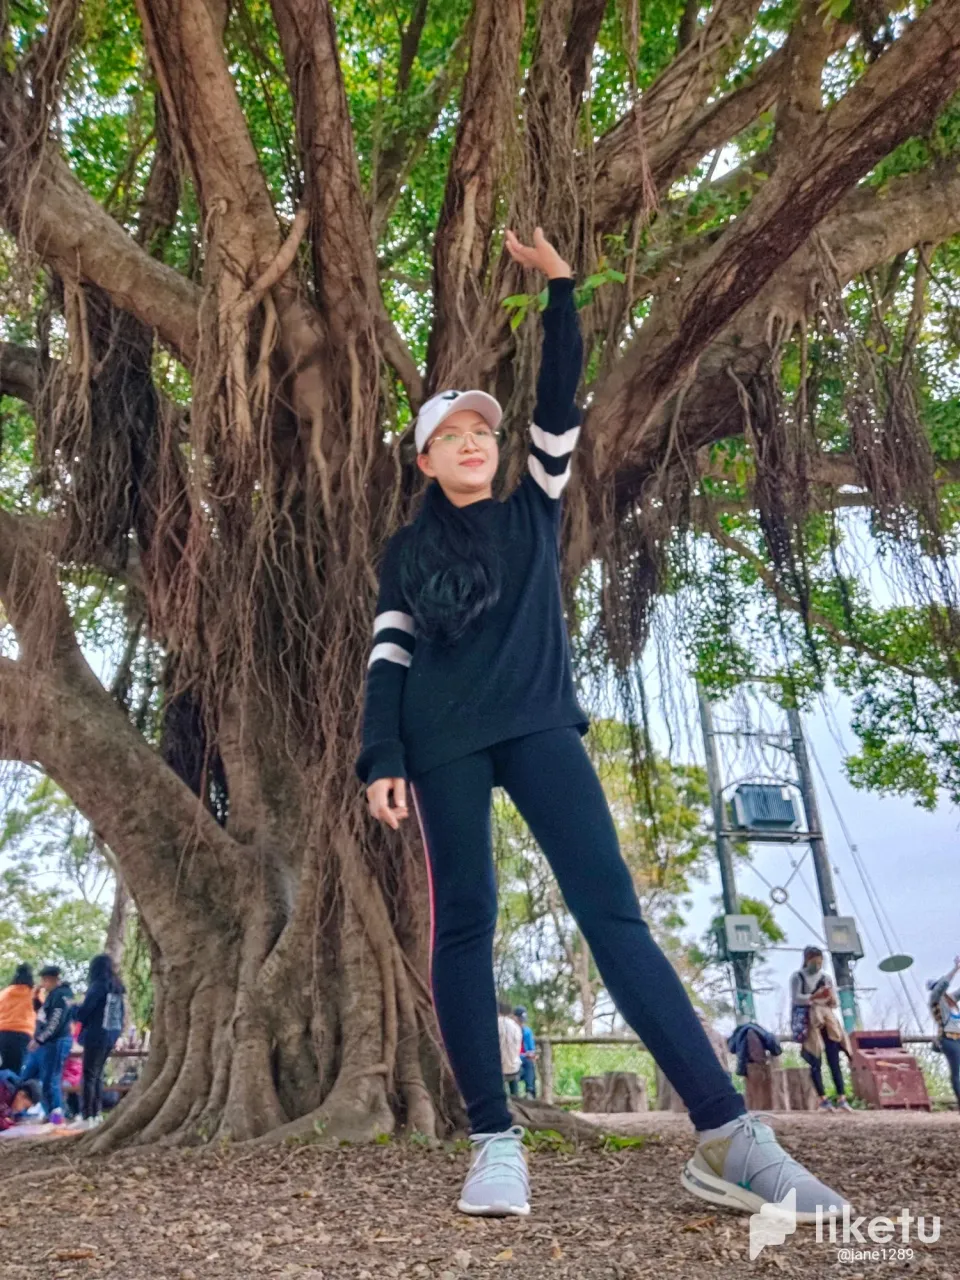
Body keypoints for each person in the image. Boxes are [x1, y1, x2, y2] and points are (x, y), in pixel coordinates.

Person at [356, 226, 850, 1221]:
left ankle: (728, 1135)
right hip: (441, 739)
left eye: (483, 431)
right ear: (424, 457)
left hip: (540, 724)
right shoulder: (406, 553)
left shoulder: (533, 507)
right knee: (465, 923)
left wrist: (561, 291)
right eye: (453, 433)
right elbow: (388, 659)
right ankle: (493, 1141)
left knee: (612, 911)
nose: (474, 441)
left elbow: (558, 398)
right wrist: (380, 757)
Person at [790, 946, 853, 1112]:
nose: (817, 965)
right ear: (807, 960)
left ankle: (842, 1097)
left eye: (820, 962)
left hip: (827, 1019)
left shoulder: (826, 978)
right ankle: (823, 1099)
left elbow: (835, 1002)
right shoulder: (798, 977)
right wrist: (813, 997)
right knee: (815, 1059)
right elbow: (796, 998)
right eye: (814, 962)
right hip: (810, 1020)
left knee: (834, 1059)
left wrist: (829, 997)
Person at [70, 954, 125, 1129]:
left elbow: (84, 1013)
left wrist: (73, 1007)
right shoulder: (117, 988)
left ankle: (87, 1115)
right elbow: (120, 1015)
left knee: (88, 1075)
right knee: (98, 1075)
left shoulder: (97, 987)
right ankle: (96, 1113)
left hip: (96, 1035)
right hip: (110, 1036)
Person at [30, 965, 75, 1125]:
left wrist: (40, 1039)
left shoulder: (61, 995)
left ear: (50, 979)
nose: (43, 984)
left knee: (52, 1079)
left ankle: (56, 1115)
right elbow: (43, 1015)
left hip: (57, 1041)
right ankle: (50, 1112)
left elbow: (55, 1022)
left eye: (44, 980)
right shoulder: (52, 995)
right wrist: (35, 998)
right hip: (48, 1042)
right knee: (43, 1078)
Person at [928, 954, 960, 1109]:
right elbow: (943, 986)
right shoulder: (935, 999)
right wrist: (955, 969)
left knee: (957, 1071)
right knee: (956, 1072)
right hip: (948, 1039)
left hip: (957, 1038)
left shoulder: (949, 1000)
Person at [0, 964, 36, 1074]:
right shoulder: (33, 994)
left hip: (2, 1032)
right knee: (17, 1068)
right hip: (23, 1034)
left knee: (2, 1066)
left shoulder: (4, 993)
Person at [497, 1003, 522, 1097]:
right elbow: (517, 1049)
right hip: (514, 1069)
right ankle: (516, 1096)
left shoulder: (493, 1025)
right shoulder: (516, 1027)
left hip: (498, 1070)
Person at [514, 1007, 537, 1098]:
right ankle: (519, 1093)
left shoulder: (527, 1031)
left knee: (529, 1063)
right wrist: (523, 1055)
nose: (521, 1023)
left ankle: (530, 1091)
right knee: (527, 1064)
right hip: (514, 1059)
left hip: (524, 1059)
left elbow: (531, 1048)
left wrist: (531, 1054)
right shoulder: (511, 1031)